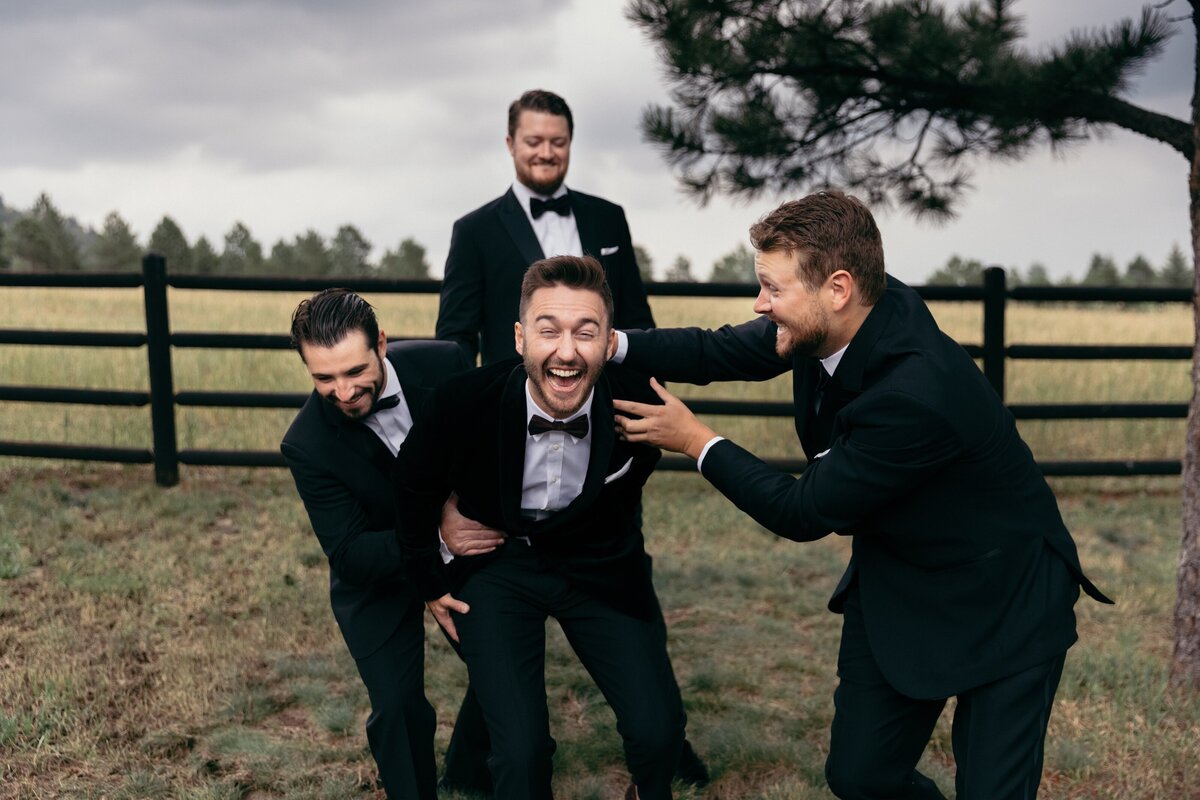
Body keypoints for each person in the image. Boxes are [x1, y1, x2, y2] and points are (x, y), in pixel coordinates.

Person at [612, 191, 1113, 800]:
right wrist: (612, 345)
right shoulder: (829, 321)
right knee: (860, 776)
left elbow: (801, 513)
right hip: (899, 578)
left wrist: (695, 441)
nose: (758, 305)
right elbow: (717, 349)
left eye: (772, 289)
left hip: (1004, 595)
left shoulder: (914, 393)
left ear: (839, 288)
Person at [394, 256, 687, 800]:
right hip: (497, 566)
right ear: (520, 338)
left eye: (586, 332)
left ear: (608, 342)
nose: (567, 351)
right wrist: (432, 581)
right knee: (521, 752)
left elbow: (629, 482)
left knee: (659, 729)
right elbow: (411, 489)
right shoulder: (462, 402)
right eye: (548, 331)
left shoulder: (642, 404)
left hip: (596, 564)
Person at [280, 289, 499, 798]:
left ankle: (468, 772)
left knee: (500, 665)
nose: (343, 390)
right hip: (378, 569)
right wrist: (431, 534)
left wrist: (454, 525)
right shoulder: (306, 443)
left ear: (381, 342)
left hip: (458, 549)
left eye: (355, 371)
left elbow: (489, 450)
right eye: (323, 378)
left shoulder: (446, 363)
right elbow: (352, 554)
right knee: (399, 706)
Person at [436, 88, 655, 365]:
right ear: (510, 144)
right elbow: (457, 339)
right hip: (512, 399)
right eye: (534, 141)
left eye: (558, 142)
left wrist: (650, 396)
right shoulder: (474, 231)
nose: (546, 153)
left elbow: (638, 321)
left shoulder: (609, 217)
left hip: (607, 397)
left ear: (570, 143)